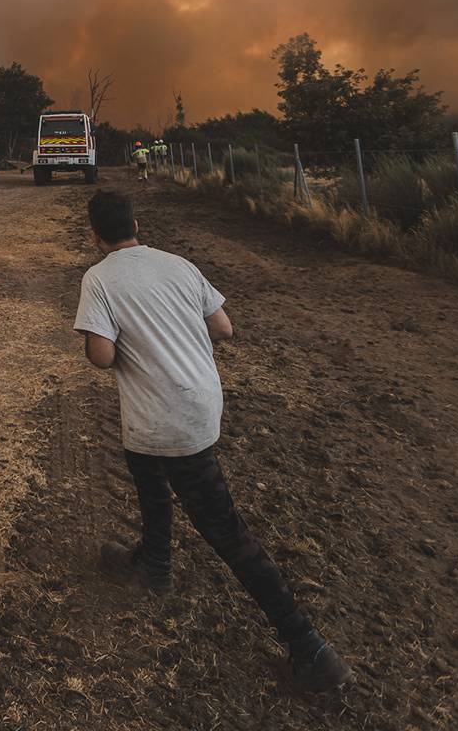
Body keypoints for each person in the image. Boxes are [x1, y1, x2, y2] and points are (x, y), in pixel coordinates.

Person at [73, 189, 349, 694]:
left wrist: (114, 335)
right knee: (144, 466)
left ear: (95, 236)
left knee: (226, 530)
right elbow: (223, 327)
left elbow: (103, 357)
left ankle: (310, 648)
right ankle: (155, 564)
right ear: (137, 225)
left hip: (166, 418)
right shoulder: (178, 264)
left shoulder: (99, 279)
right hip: (198, 405)